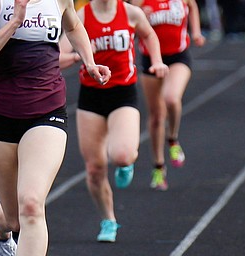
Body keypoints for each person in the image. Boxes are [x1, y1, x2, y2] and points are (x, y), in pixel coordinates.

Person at [0, 0, 111, 255]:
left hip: (46, 112)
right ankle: (2, 225)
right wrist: (14, 24)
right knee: (15, 219)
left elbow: (74, 25)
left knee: (31, 205)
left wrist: (89, 61)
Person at [60, 0, 168, 242]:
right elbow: (59, 52)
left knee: (121, 155)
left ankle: (126, 162)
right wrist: (77, 57)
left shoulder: (131, 13)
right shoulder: (82, 15)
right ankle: (108, 219)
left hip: (123, 93)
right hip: (91, 96)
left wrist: (157, 60)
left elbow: (149, 35)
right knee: (94, 168)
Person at [131, 0, 205, 191]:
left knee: (171, 98)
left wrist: (195, 31)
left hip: (178, 56)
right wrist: (141, 14)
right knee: (156, 117)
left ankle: (172, 138)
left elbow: (193, 6)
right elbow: (128, 21)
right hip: (151, 60)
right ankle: (158, 166)